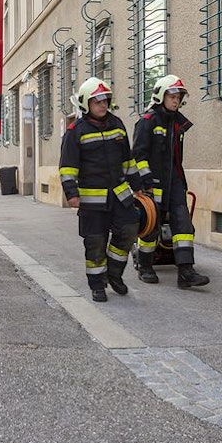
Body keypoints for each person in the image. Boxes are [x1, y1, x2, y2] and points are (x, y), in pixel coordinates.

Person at [59, 77, 143, 302]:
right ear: (86, 103)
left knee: (128, 231)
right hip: (92, 200)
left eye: (105, 100)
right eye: (98, 101)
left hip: (120, 194)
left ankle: (114, 274)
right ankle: (97, 284)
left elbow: (128, 159)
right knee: (95, 242)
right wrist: (71, 193)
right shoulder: (75, 130)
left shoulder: (117, 124)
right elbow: (67, 167)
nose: (103, 105)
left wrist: (138, 186)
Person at [132, 75, 210, 289]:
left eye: (179, 97)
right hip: (153, 183)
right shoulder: (147, 121)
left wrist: (180, 182)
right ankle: (145, 266)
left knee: (183, 224)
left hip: (174, 181)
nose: (176, 101)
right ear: (160, 96)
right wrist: (146, 180)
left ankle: (186, 271)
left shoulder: (177, 122)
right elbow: (138, 154)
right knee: (151, 224)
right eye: (172, 96)